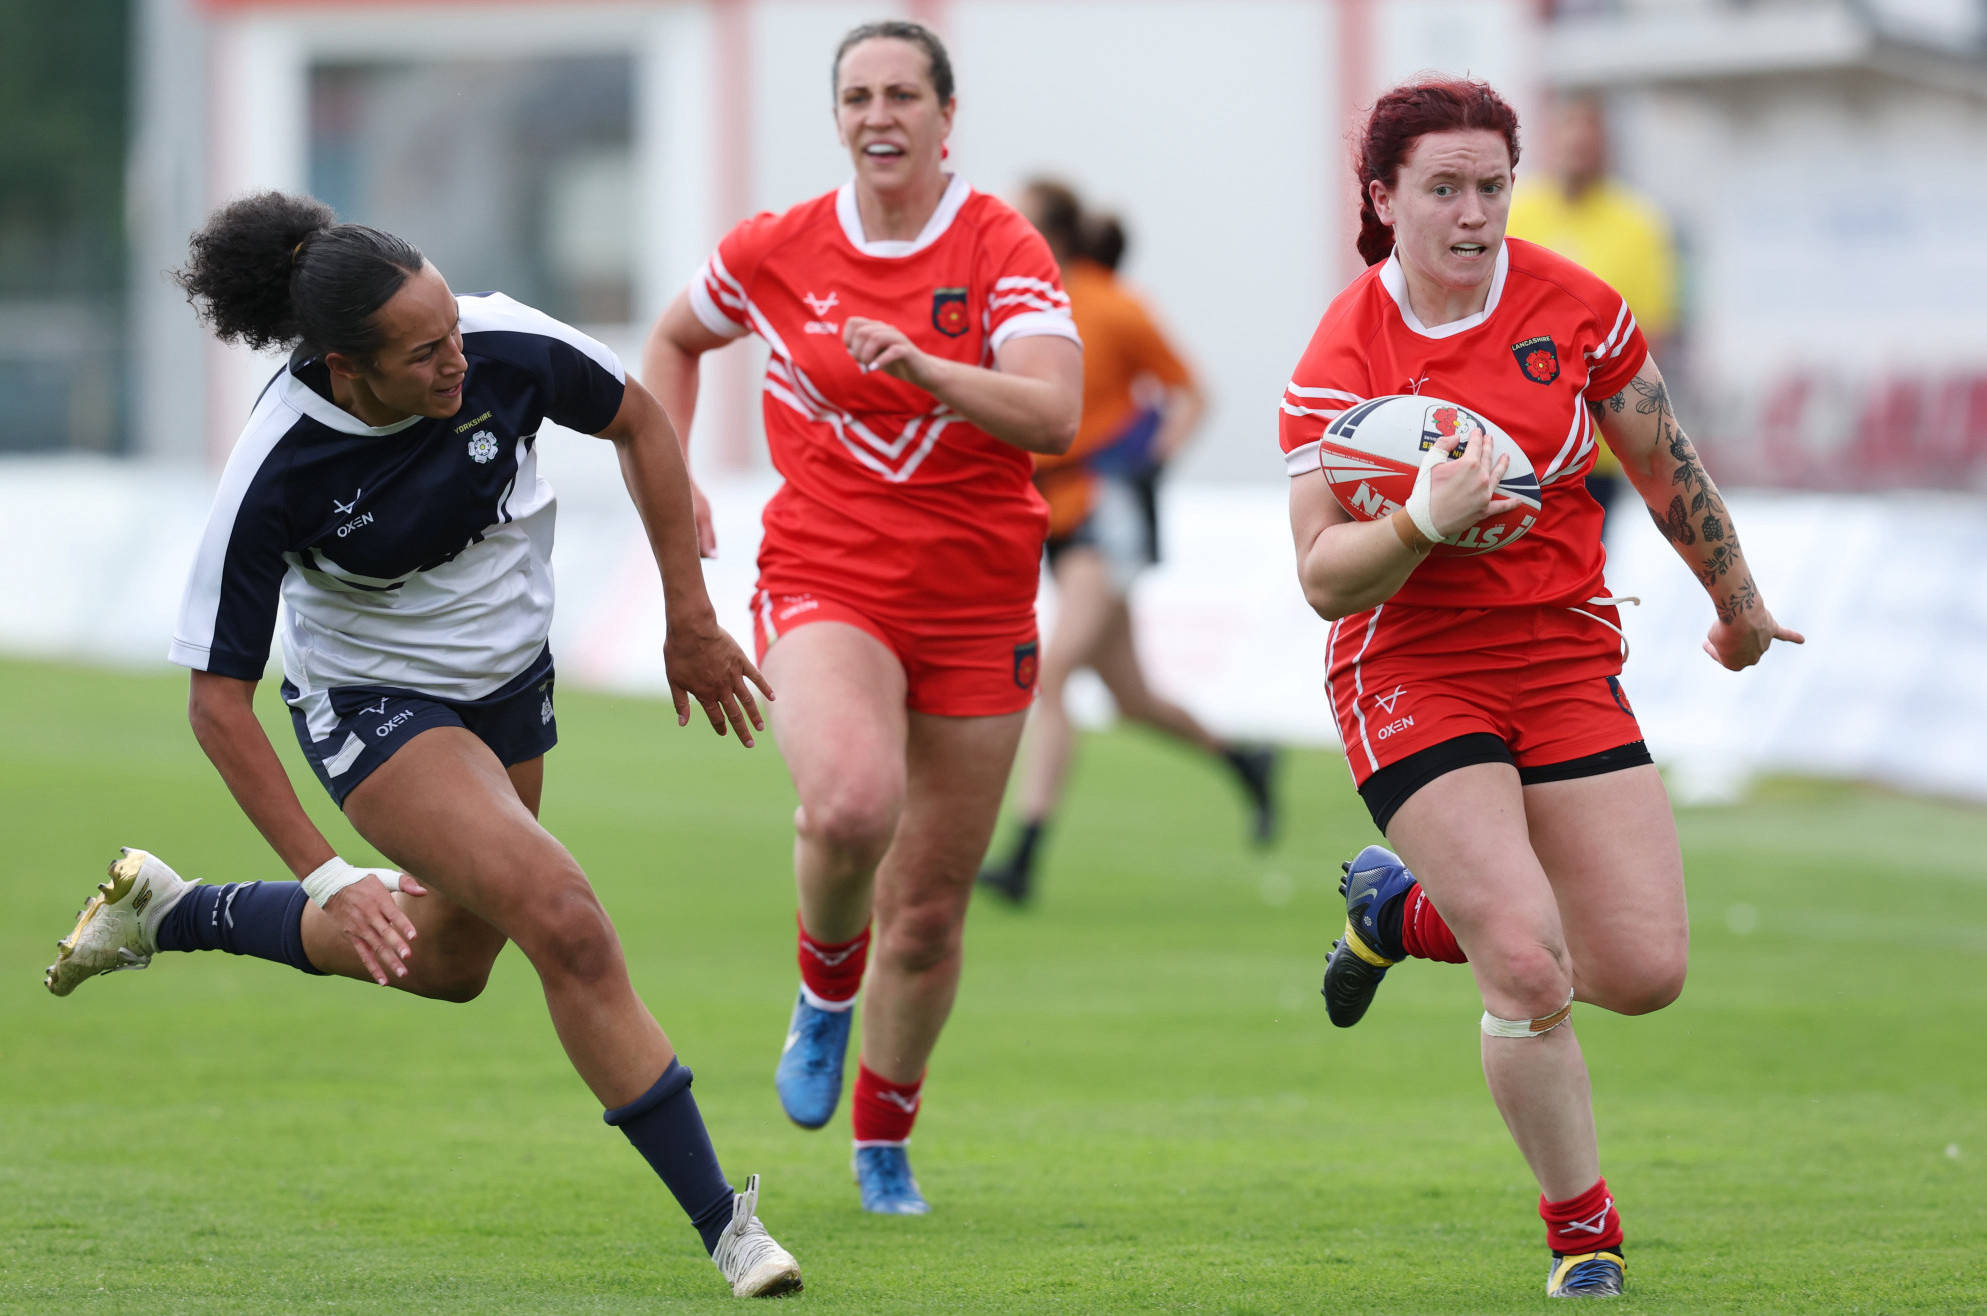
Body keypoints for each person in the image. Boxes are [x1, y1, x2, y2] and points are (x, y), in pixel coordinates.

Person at [42, 193, 801, 1298]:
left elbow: (639, 422)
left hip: (512, 684)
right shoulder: (277, 464)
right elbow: (217, 704)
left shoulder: (502, 343)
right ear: (347, 371)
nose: (458, 360)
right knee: (566, 918)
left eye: (453, 329)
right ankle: (728, 1226)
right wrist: (329, 873)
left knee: (448, 964)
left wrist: (688, 617)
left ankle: (175, 909)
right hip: (374, 702)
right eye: (425, 352)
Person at [1281, 78, 1801, 1298]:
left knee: (1640, 971)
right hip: (1408, 667)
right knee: (1523, 961)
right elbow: (1320, 577)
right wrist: (1418, 519)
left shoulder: (1577, 309)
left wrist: (1736, 601)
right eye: (1443, 188)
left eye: (1491, 186)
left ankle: (1397, 912)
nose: (1473, 212)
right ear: (1383, 197)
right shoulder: (1341, 355)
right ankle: (1584, 1234)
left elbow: (1665, 464)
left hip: (1563, 657)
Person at [639, 21, 1082, 1214]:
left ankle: (883, 1140)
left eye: (901, 94)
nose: (878, 115)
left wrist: (925, 366)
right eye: (856, 97)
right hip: (826, 573)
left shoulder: (1000, 245)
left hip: (980, 598)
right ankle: (824, 990)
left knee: (928, 911)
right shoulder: (778, 247)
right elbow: (675, 338)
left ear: (946, 113)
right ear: (836, 116)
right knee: (847, 802)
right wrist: (676, 475)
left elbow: (1054, 415)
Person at [978, 180, 1276, 906]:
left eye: (1020, 221)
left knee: (1051, 674)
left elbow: (1192, 393)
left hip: (1103, 516)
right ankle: (1245, 761)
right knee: (1131, 697)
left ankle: (1022, 856)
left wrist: (1146, 465)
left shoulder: (1111, 305)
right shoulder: (1020, 310)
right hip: (1052, 517)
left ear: (1053, 235)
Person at [1505, 93, 1680, 530]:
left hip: (1596, 447)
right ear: (1550, 138)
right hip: (1516, 438)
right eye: (1568, 129)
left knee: (1585, 560)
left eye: (1589, 131)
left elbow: (1651, 334)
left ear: (1606, 143)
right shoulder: (1515, 213)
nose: (1578, 142)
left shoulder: (1638, 225)